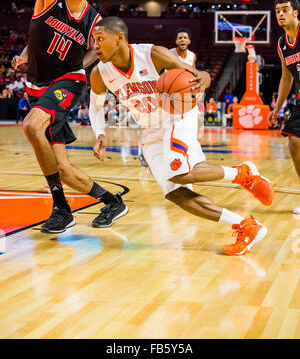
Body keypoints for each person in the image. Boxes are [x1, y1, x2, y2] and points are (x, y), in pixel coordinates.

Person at [89, 16, 273, 255]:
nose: (95, 45)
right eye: (94, 40)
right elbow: (95, 106)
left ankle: (242, 173)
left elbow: (196, 75)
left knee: (181, 172)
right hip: (150, 129)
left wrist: (205, 78)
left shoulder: (153, 54)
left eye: (100, 39)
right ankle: (247, 226)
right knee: (175, 192)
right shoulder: (99, 73)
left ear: (120, 38)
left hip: (176, 114)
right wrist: (100, 133)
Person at [11, 0, 128, 234]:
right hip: (37, 86)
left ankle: (61, 209)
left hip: (66, 83)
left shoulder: (95, 21)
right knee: (63, 169)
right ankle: (107, 202)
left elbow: (103, 52)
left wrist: (87, 65)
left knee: (32, 127)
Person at [269, 0, 300, 214]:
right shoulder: (282, 44)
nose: (281, 14)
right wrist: (277, 108)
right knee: (294, 144)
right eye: (278, 10)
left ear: (295, 13)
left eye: (285, 10)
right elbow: (286, 78)